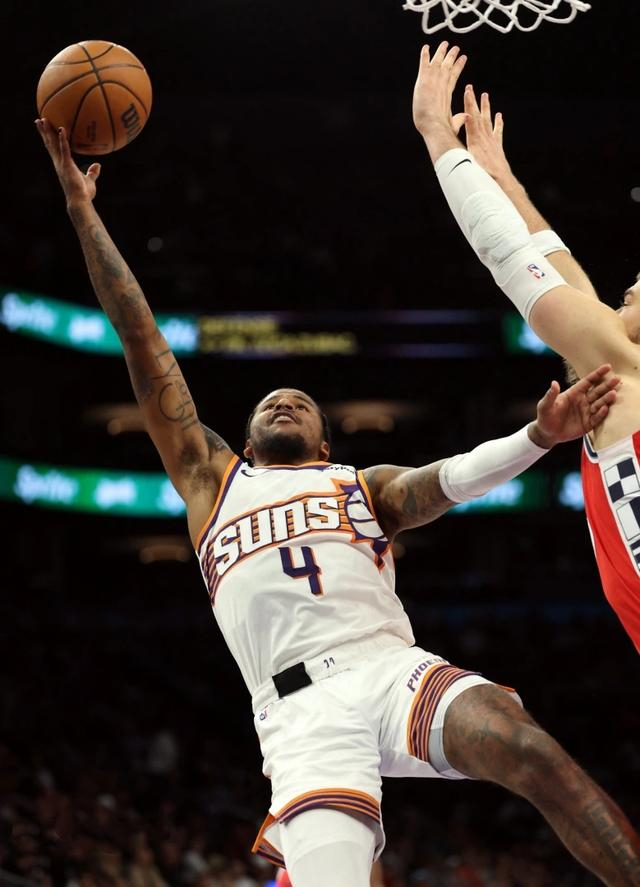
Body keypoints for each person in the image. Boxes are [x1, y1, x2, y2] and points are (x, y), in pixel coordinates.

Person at [35, 116, 640, 887]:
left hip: (390, 670)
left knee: (528, 746)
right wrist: (82, 215)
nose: (284, 400)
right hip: (300, 715)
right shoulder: (209, 479)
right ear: (245, 440)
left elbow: (448, 480)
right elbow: (139, 336)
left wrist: (537, 435)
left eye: (302, 403)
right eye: (271, 401)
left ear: (325, 444)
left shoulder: (359, 483)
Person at [414, 40, 640, 653]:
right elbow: (575, 297)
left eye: (637, 290)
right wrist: (507, 184)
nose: (625, 290)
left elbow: (510, 259)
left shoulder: (627, 370)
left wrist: (437, 133)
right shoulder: (621, 371)